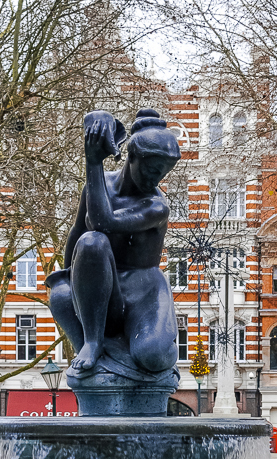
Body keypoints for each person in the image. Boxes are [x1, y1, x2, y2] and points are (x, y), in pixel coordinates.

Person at [46, 108, 182, 380]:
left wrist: (93, 162)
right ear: (132, 157)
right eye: (153, 170)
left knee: (153, 356)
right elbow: (80, 232)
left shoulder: (156, 206)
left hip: (144, 290)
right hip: (104, 287)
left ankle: (130, 356)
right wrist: (67, 276)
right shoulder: (98, 188)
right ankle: (93, 343)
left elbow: (103, 222)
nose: (156, 180)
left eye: (163, 174)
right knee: (85, 254)